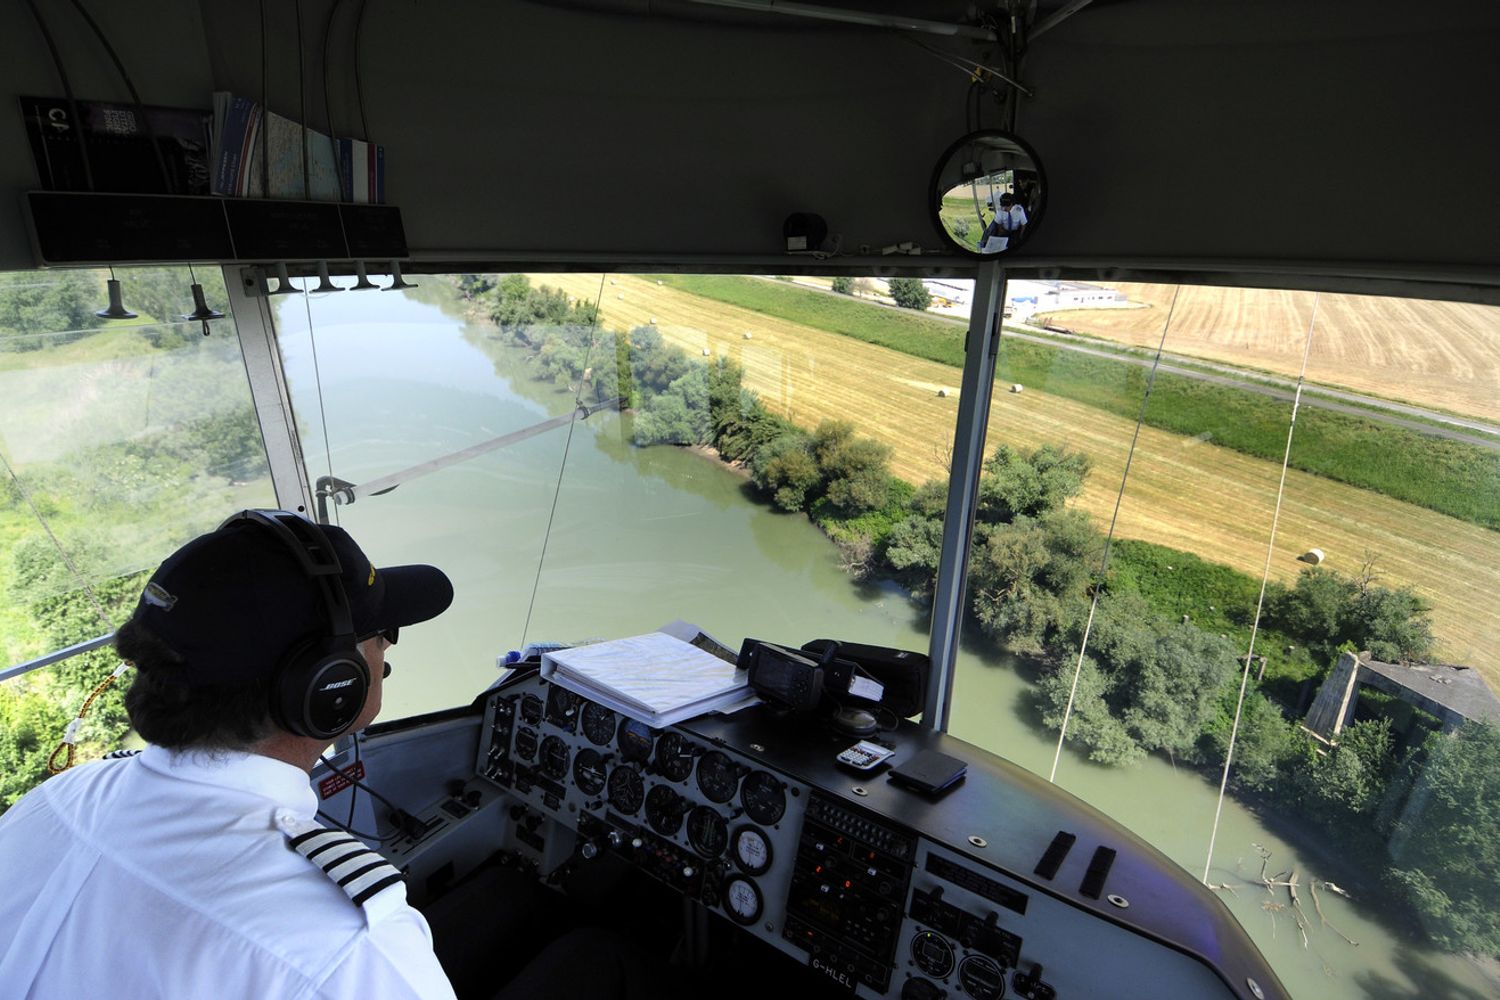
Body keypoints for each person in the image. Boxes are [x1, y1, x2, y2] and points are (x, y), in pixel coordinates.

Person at [0, 511, 639, 1000]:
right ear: (327, 686)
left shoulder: (52, 801)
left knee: (515, 902)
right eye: (379, 632)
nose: (387, 647)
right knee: (600, 959)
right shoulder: (341, 953)